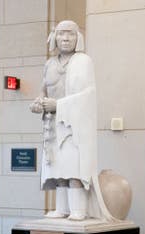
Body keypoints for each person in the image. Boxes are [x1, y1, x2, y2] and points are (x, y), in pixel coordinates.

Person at [30, 20, 110, 221]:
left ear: (78, 38)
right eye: (61, 34)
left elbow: (88, 95)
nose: (65, 38)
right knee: (58, 171)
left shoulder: (83, 61)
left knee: (74, 169)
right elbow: (43, 91)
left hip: (74, 126)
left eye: (70, 34)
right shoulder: (49, 63)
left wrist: (59, 105)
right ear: (54, 37)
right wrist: (38, 103)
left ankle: (78, 210)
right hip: (53, 126)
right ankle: (62, 208)